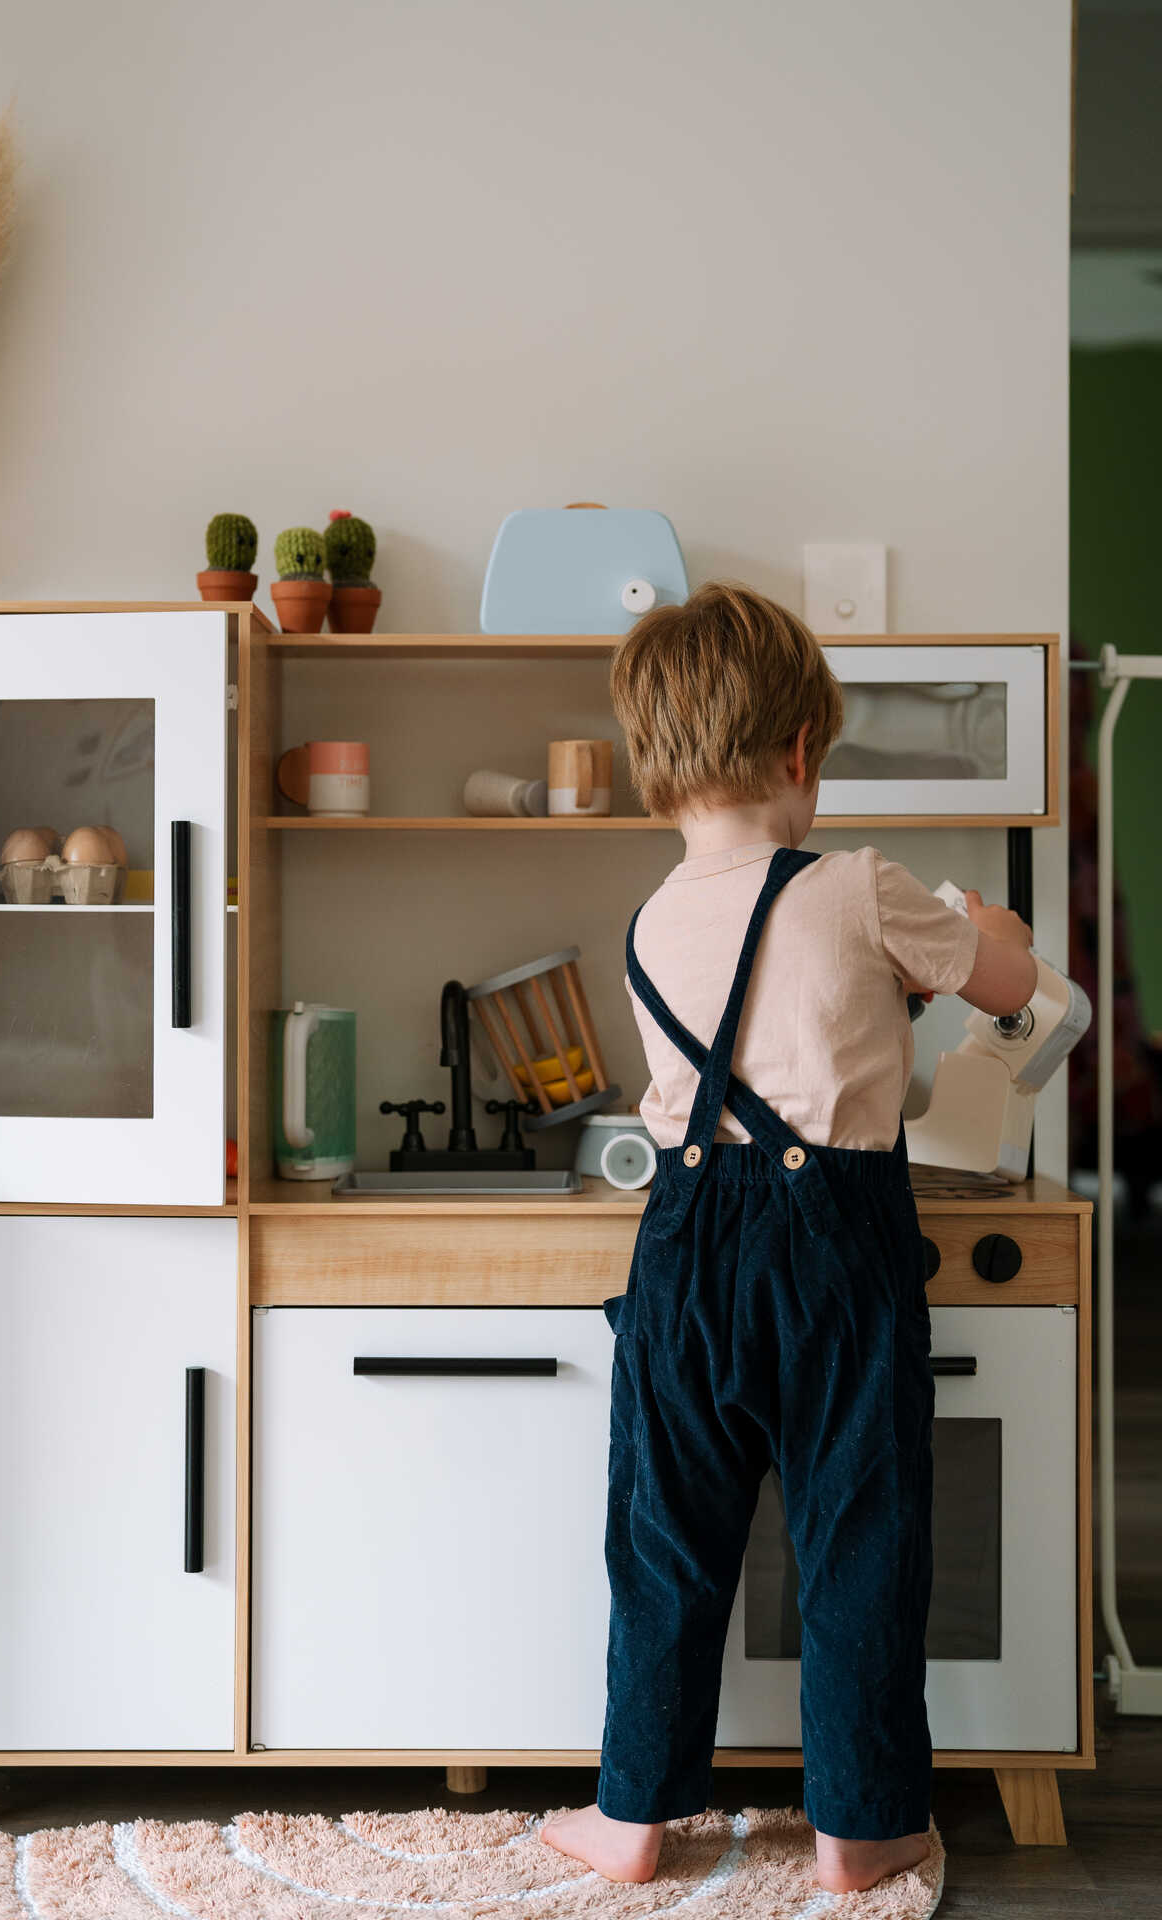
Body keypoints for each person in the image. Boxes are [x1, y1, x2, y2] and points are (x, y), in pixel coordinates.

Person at [541, 582, 1036, 1892]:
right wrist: (992, 925)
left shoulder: (647, 923)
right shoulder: (864, 887)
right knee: (861, 1535)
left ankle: (632, 1818)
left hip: (687, 1246)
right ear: (803, 751)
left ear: (657, 766)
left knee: (663, 1538)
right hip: (840, 1249)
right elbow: (1010, 986)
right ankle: (863, 1830)